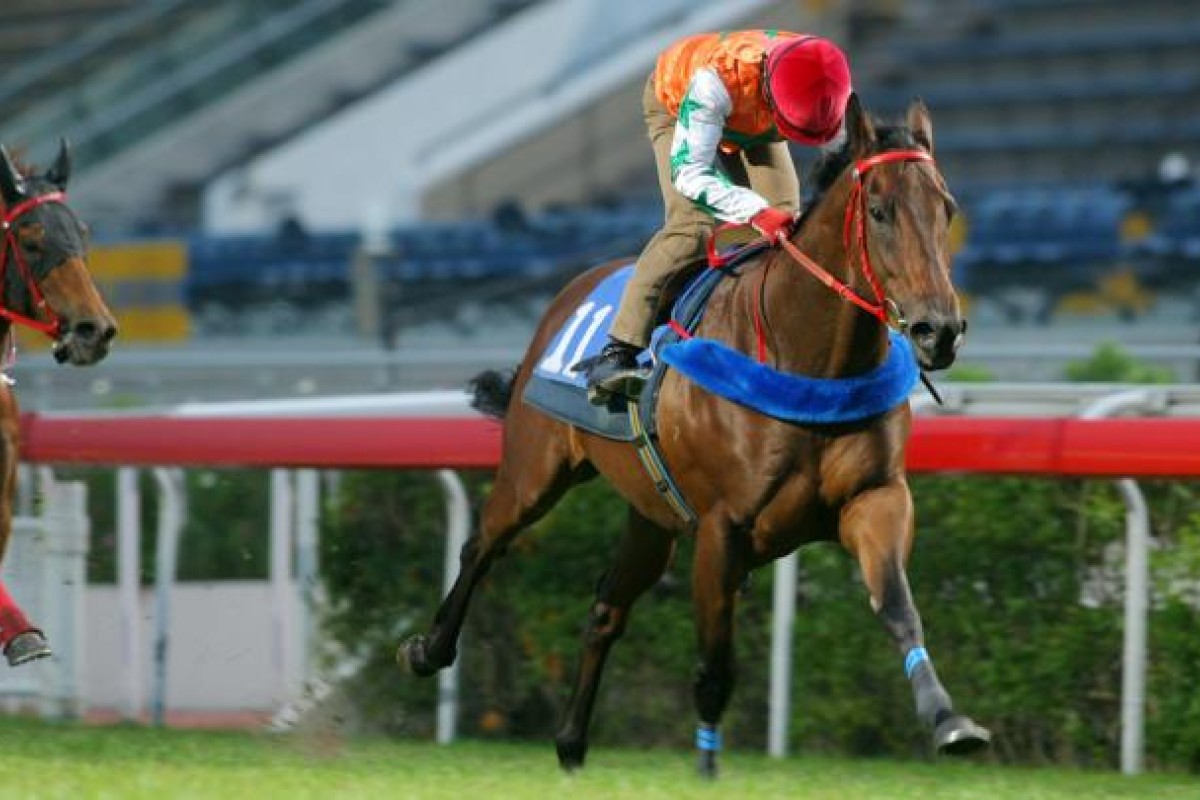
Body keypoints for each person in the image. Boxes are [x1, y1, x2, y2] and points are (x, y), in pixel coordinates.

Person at [580, 30, 853, 401]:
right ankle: (618, 351)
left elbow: (842, 158)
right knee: (692, 227)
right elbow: (689, 175)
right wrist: (755, 211)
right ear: (774, 96)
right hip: (678, 101)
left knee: (788, 223)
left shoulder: (827, 82)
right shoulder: (713, 84)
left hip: (758, 114)